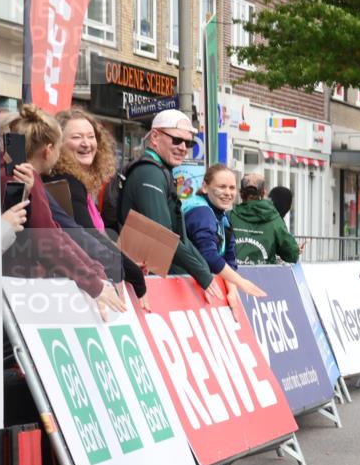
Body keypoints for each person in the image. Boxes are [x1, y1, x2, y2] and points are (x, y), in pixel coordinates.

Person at [0, 105, 126, 320]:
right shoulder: (24, 176)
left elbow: (56, 232)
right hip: (14, 296)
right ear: (48, 150)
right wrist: (95, 282)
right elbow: (50, 240)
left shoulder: (16, 171)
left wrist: (96, 274)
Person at [45, 107, 149, 308]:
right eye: (76, 137)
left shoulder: (75, 182)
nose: (86, 143)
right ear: (58, 143)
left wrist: (126, 263)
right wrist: (132, 272)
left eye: (91, 136)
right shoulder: (68, 182)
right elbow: (88, 238)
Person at [117, 109, 221, 300]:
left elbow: (179, 237)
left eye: (188, 143)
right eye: (177, 140)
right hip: (144, 284)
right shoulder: (149, 173)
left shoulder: (160, 171)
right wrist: (203, 275)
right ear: (155, 137)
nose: (183, 147)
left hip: (152, 277)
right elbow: (163, 236)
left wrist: (205, 270)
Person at [183, 164, 267, 313]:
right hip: (184, 288)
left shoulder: (222, 215)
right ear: (205, 187)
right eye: (222, 187)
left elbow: (229, 257)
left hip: (203, 289)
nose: (228, 193)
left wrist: (232, 291)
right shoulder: (201, 212)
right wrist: (241, 282)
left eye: (232, 188)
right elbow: (208, 255)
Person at [228, 173, 303, 265]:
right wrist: (296, 249)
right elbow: (291, 254)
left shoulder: (228, 216)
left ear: (240, 193)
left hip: (230, 272)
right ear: (264, 192)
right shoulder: (274, 220)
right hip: (263, 273)